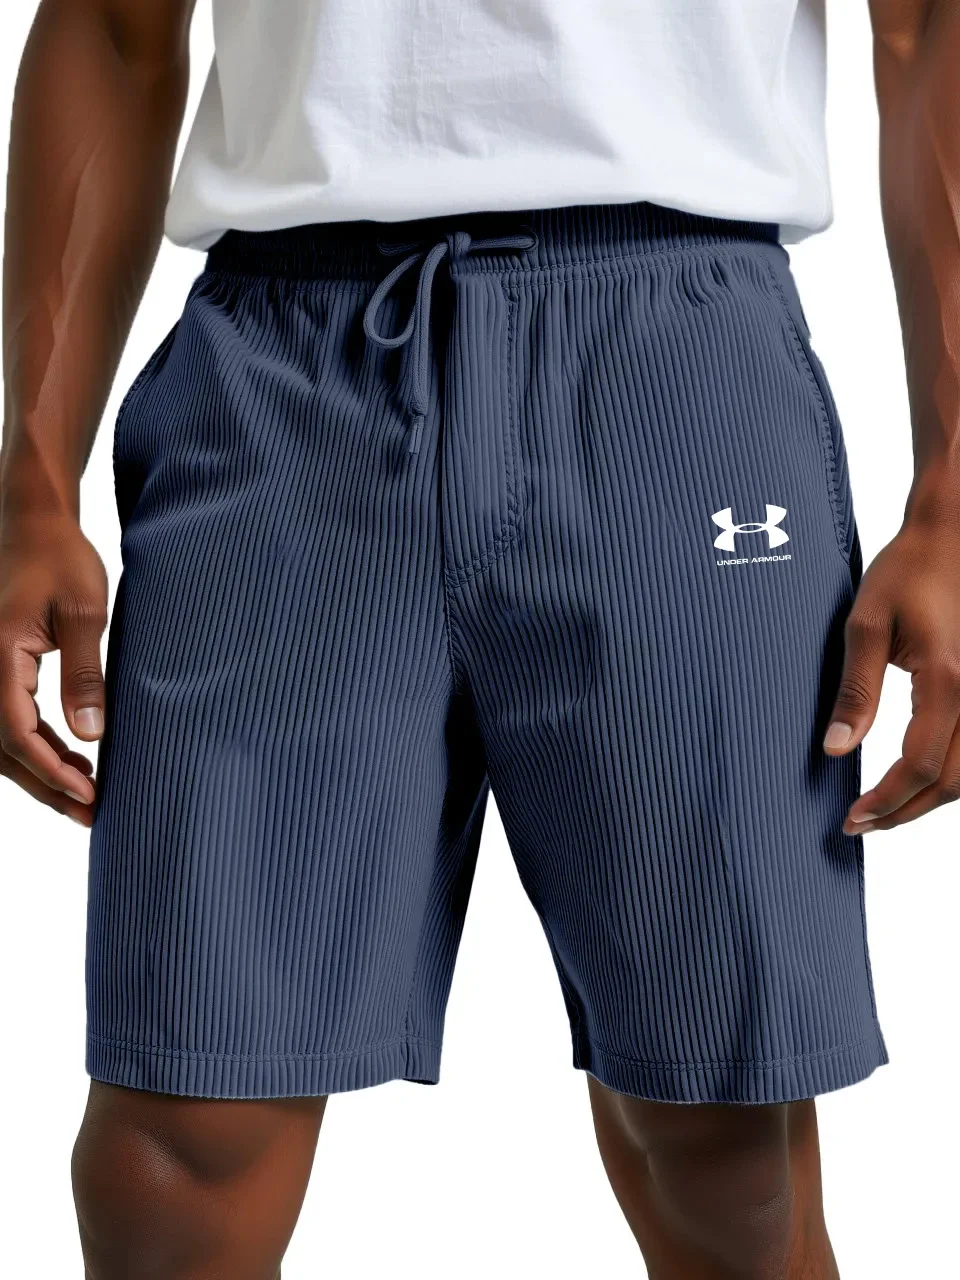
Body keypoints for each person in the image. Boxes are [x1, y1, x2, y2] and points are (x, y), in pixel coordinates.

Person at [1, 1, 957, 1276]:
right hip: (282, 362)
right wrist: (32, 484)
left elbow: (925, 28)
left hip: (676, 348)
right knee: (177, 1130)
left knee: (725, 1138)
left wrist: (953, 494)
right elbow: (115, 28)